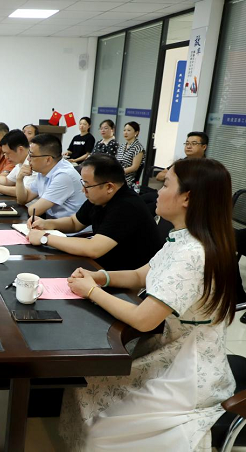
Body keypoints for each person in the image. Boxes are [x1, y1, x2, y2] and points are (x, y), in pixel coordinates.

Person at [61, 158, 237, 451]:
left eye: (165, 184)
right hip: (167, 347)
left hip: (187, 367)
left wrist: (91, 291)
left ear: (187, 197)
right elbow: (140, 274)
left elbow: (144, 319)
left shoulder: (193, 253)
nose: (157, 191)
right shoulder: (181, 238)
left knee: (103, 427)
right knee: (87, 387)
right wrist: (101, 277)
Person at [26, 154, 162, 270]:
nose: (83, 190)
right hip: (104, 265)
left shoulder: (127, 206)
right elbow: (75, 222)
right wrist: (47, 223)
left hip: (127, 276)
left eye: (87, 185)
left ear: (109, 187)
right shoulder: (99, 197)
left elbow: (93, 249)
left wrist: (45, 238)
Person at [16, 133, 86, 217]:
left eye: (31, 155)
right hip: (53, 221)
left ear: (48, 160)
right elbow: (23, 199)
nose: (28, 159)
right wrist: (19, 179)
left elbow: (34, 211)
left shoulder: (64, 175)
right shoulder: (44, 170)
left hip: (69, 224)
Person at [115, 121, 145, 187]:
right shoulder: (122, 146)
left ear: (136, 133)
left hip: (127, 179)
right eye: (124, 130)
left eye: (128, 130)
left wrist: (119, 172)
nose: (125, 132)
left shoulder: (138, 147)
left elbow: (134, 167)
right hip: (116, 176)